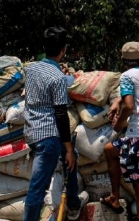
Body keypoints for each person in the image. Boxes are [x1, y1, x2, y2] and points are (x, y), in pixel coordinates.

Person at [22, 27, 86, 221]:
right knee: (37, 188)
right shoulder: (58, 78)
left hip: (32, 132)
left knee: (72, 158)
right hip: (48, 137)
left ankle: (73, 204)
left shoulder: (31, 69)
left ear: (44, 47)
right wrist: (66, 147)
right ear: (63, 50)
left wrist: (69, 151)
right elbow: (61, 114)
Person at [100, 42, 139, 219]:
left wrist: (119, 123)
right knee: (110, 150)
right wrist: (117, 101)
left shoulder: (127, 76)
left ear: (122, 59)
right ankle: (114, 197)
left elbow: (130, 105)